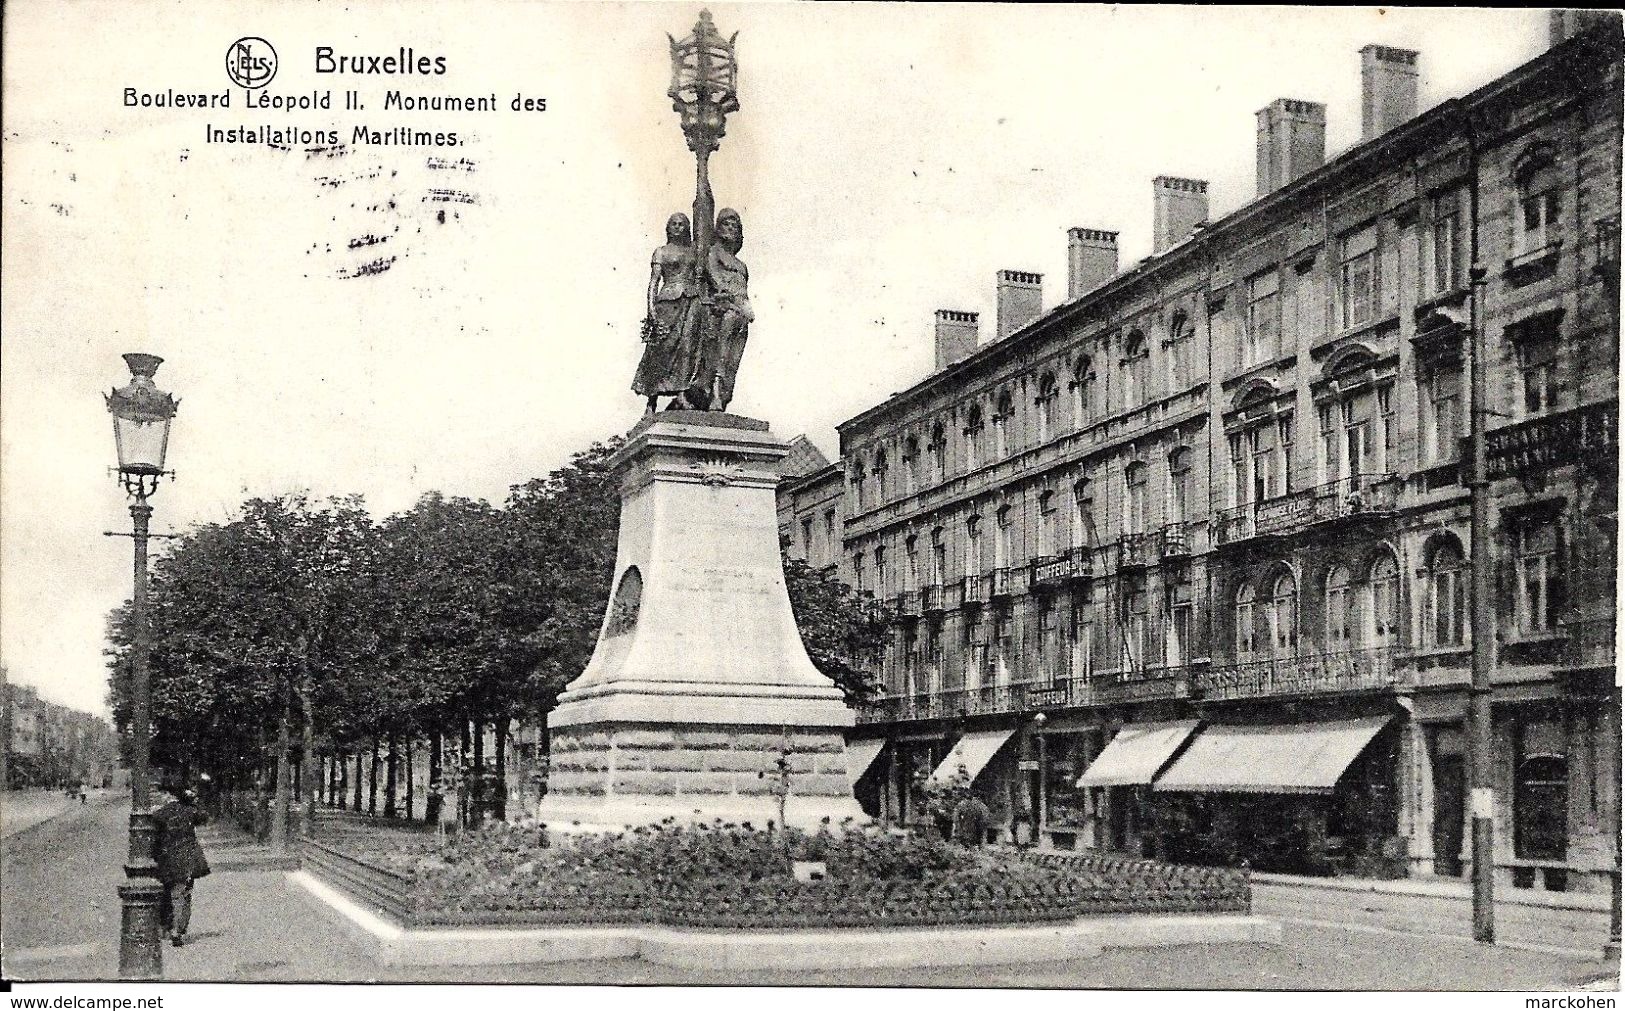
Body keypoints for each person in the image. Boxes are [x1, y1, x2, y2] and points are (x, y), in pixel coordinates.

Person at [632, 212, 701, 412]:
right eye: (674, 224)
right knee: (658, 352)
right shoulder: (660, 252)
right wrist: (651, 310)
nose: (678, 227)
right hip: (667, 303)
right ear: (668, 228)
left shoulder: (693, 252)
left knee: (686, 349)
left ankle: (681, 393)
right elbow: (654, 282)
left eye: (682, 224)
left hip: (689, 302)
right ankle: (651, 401)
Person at [704, 208, 753, 412]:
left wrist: (746, 308)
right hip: (721, 309)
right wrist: (733, 301)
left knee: (734, 359)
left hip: (741, 313)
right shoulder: (713, 252)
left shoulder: (742, 266)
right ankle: (714, 392)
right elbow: (715, 280)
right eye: (726, 224)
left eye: (735, 225)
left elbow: (745, 292)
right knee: (722, 352)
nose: (731, 228)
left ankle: (724, 395)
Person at [152, 781, 211, 947]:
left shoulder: (159, 815)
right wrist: (193, 800)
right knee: (184, 894)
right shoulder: (189, 811)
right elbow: (204, 816)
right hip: (189, 859)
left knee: (171, 894)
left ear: (168, 796)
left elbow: (154, 839)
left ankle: (171, 929)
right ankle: (179, 929)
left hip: (168, 860)